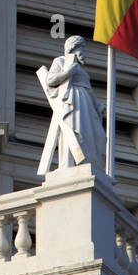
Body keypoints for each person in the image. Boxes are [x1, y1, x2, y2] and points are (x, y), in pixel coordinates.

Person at [38, 35, 106, 176]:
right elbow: (50, 79)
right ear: (73, 48)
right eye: (82, 47)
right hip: (72, 100)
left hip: (87, 104)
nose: (83, 51)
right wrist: (68, 72)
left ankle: (90, 162)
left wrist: (98, 105)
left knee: (96, 134)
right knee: (71, 130)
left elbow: (89, 90)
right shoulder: (61, 61)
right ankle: (68, 165)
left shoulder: (84, 72)